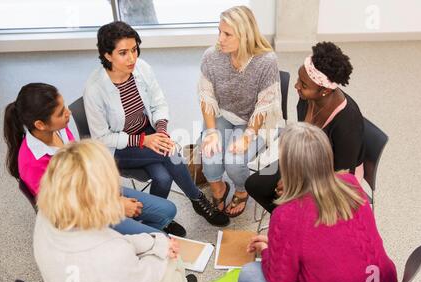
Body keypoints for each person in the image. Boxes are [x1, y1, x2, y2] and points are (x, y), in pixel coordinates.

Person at [84, 21, 229, 227]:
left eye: (134, 50)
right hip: (117, 148)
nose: (132, 58)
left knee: (163, 178)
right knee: (170, 152)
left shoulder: (141, 68)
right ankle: (197, 199)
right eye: (123, 53)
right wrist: (145, 140)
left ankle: (156, 220)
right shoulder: (95, 89)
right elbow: (101, 138)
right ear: (107, 55)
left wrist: (159, 132)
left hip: (147, 134)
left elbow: (159, 103)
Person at [238, 123, 397, 282]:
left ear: (287, 168)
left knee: (248, 275)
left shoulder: (286, 215)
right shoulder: (350, 183)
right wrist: (278, 245)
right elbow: (323, 242)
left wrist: (267, 251)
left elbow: (280, 280)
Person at [3, 83, 183, 236]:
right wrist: (114, 207)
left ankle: (130, 244)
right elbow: (63, 213)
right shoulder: (31, 163)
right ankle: (128, 247)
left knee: (168, 211)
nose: (69, 113)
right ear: (40, 125)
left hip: (97, 191)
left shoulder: (58, 130)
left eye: (64, 106)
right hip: (83, 215)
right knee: (160, 240)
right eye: (60, 113)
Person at [33, 139, 197, 282]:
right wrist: (161, 247)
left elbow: (116, 246)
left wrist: (155, 242)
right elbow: (143, 281)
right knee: (171, 262)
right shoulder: (112, 252)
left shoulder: (45, 215)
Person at [246, 41, 365, 213]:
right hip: (307, 159)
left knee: (293, 203)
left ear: (324, 90)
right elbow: (304, 139)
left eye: (303, 85)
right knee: (255, 185)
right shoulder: (307, 99)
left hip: (333, 178)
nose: (296, 87)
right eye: (298, 80)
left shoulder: (347, 122)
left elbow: (342, 175)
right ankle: (290, 219)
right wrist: (292, 177)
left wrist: (299, 185)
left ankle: (296, 221)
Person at [199, 6, 282, 217]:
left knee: (235, 163)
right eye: (219, 31)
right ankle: (219, 188)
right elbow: (206, 96)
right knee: (210, 157)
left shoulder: (266, 61)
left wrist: (247, 136)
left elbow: (265, 105)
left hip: (254, 120)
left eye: (227, 34)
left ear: (245, 35)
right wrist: (211, 132)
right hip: (223, 113)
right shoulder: (211, 56)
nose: (220, 39)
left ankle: (242, 190)